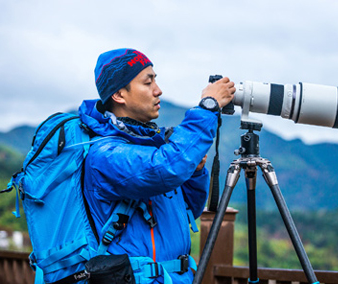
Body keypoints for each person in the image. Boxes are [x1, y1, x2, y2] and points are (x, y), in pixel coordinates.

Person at [79, 48, 235, 284]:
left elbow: (185, 214)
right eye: (147, 82)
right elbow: (166, 168)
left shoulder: (148, 147)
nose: (158, 90)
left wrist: (194, 173)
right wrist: (209, 106)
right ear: (119, 94)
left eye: (156, 80)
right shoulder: (106, 155)